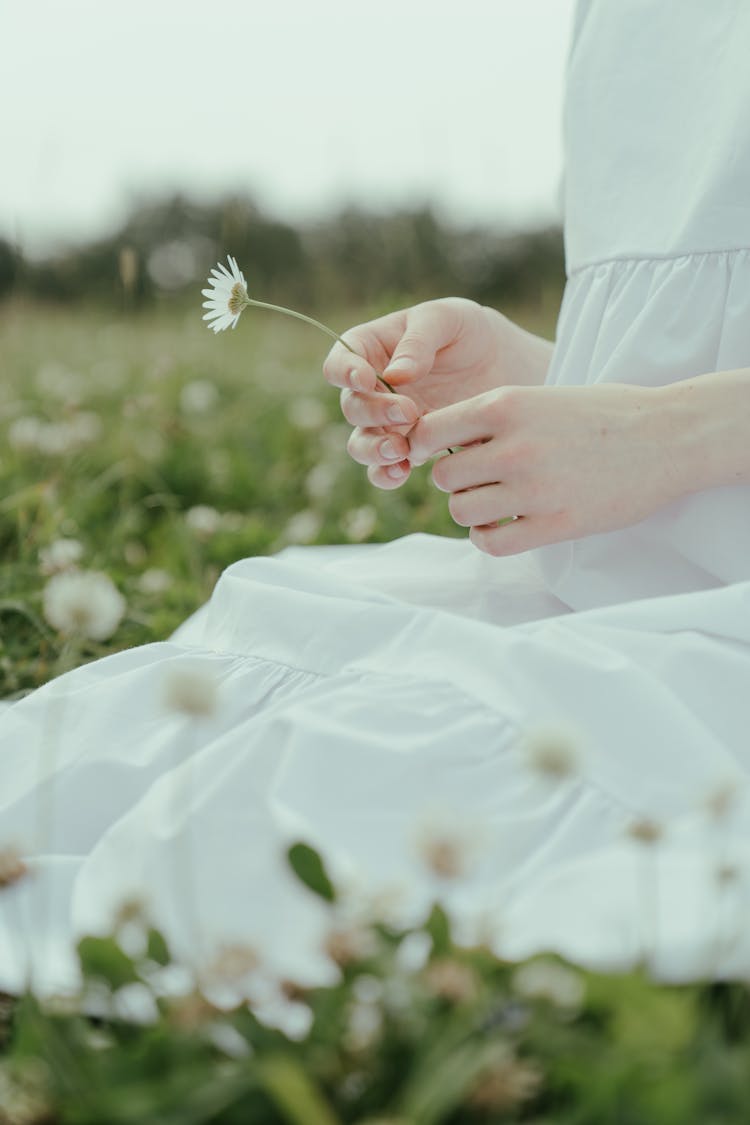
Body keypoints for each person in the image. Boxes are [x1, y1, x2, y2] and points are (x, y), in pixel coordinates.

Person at [2, 0, 750, 999]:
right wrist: (541, 375)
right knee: (197, 713)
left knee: (335, 810)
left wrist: (671, 436)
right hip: (613, 596)